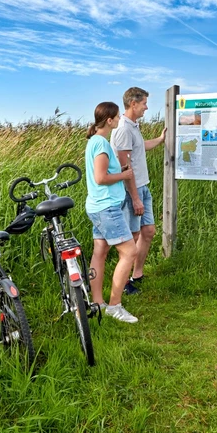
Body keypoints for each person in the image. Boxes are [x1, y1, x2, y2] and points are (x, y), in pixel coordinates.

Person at [84, 101, 139, 324]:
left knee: (100, 252)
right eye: (117, 117)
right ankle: (115, 306)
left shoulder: (94, 142)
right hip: (107, 208)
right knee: (129, 253)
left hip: (97, 206)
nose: (119, 120)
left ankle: (98, 302)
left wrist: (120, 170)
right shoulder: (102, 144)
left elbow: (105, 172)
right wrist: (124, 176)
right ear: (109, 120)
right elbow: (101, 178)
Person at [110, 87, 166, 294]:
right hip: (131, 191)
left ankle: (138, 274)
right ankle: (124, 284)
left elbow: (141, 147)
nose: (146, 107)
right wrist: (135, 198)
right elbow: (125, 167)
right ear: (133, 104)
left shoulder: (134, 126)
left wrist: (160, 140)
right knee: (131, 238)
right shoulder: (123, 128)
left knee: (148, 231)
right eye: (144, 103)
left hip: (143, 186)